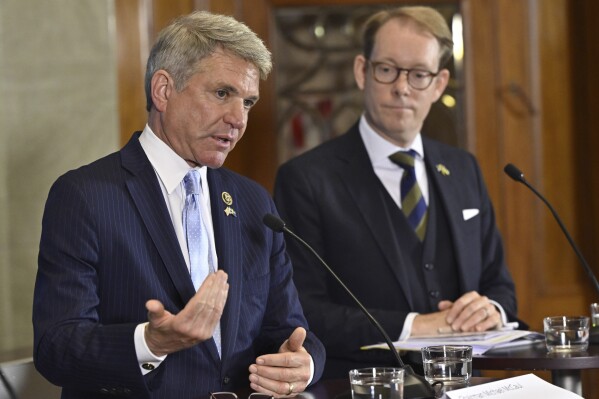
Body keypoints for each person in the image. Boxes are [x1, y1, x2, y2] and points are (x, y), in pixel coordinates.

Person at [33, 11, 325, 399]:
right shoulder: (85, 196)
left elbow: (288, 331)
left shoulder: (254, 202)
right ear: (164, 90)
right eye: (222, 93)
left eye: (249, 102)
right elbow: (56, 347)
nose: (238, 119)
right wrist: (151, 343)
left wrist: (303, 364)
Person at [274, 6, 520, 378]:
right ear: (362, 72)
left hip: (467, 382)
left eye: (419, 74)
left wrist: (492, 310)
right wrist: (415, 325)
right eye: (387, 69)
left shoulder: (464, 168)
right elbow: (304, 308)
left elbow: (499, 283)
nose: (402, 87)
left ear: (438, 84)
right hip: (363, 385)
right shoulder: (305, 179)